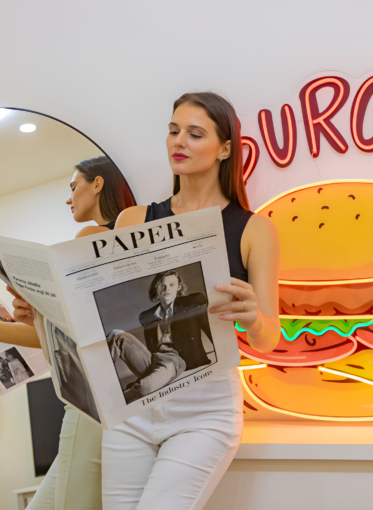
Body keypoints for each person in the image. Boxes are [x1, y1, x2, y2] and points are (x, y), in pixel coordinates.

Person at [104, 92, 281, 510]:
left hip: (203, 410)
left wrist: (254, 318)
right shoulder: (133, 221)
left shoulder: (255, 230)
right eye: (173, 131)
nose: (178, 142)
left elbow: (269, 338)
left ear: (224, 149)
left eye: (194, 133)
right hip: (130, 413)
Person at [3, 155, 136, 510]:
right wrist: (31, 322)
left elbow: (74, 342)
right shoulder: (128, 242)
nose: (69, 197)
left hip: (88, 398)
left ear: (98, 184)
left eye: (74, 186)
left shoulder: (91, 236)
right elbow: (66, 336)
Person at [108, 268, 214, 404]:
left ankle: (116, 402)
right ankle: (102, 383)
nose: (166, 289)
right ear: (157, 289)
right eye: (162, 285)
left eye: (171, 284)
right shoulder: (147, 316)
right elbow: (150, 347)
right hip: (154, 358)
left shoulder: (191, 303)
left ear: (178, 287)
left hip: (175, 360)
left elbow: (209, 328)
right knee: (116, 334)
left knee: (144, 388)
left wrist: (225, 353)